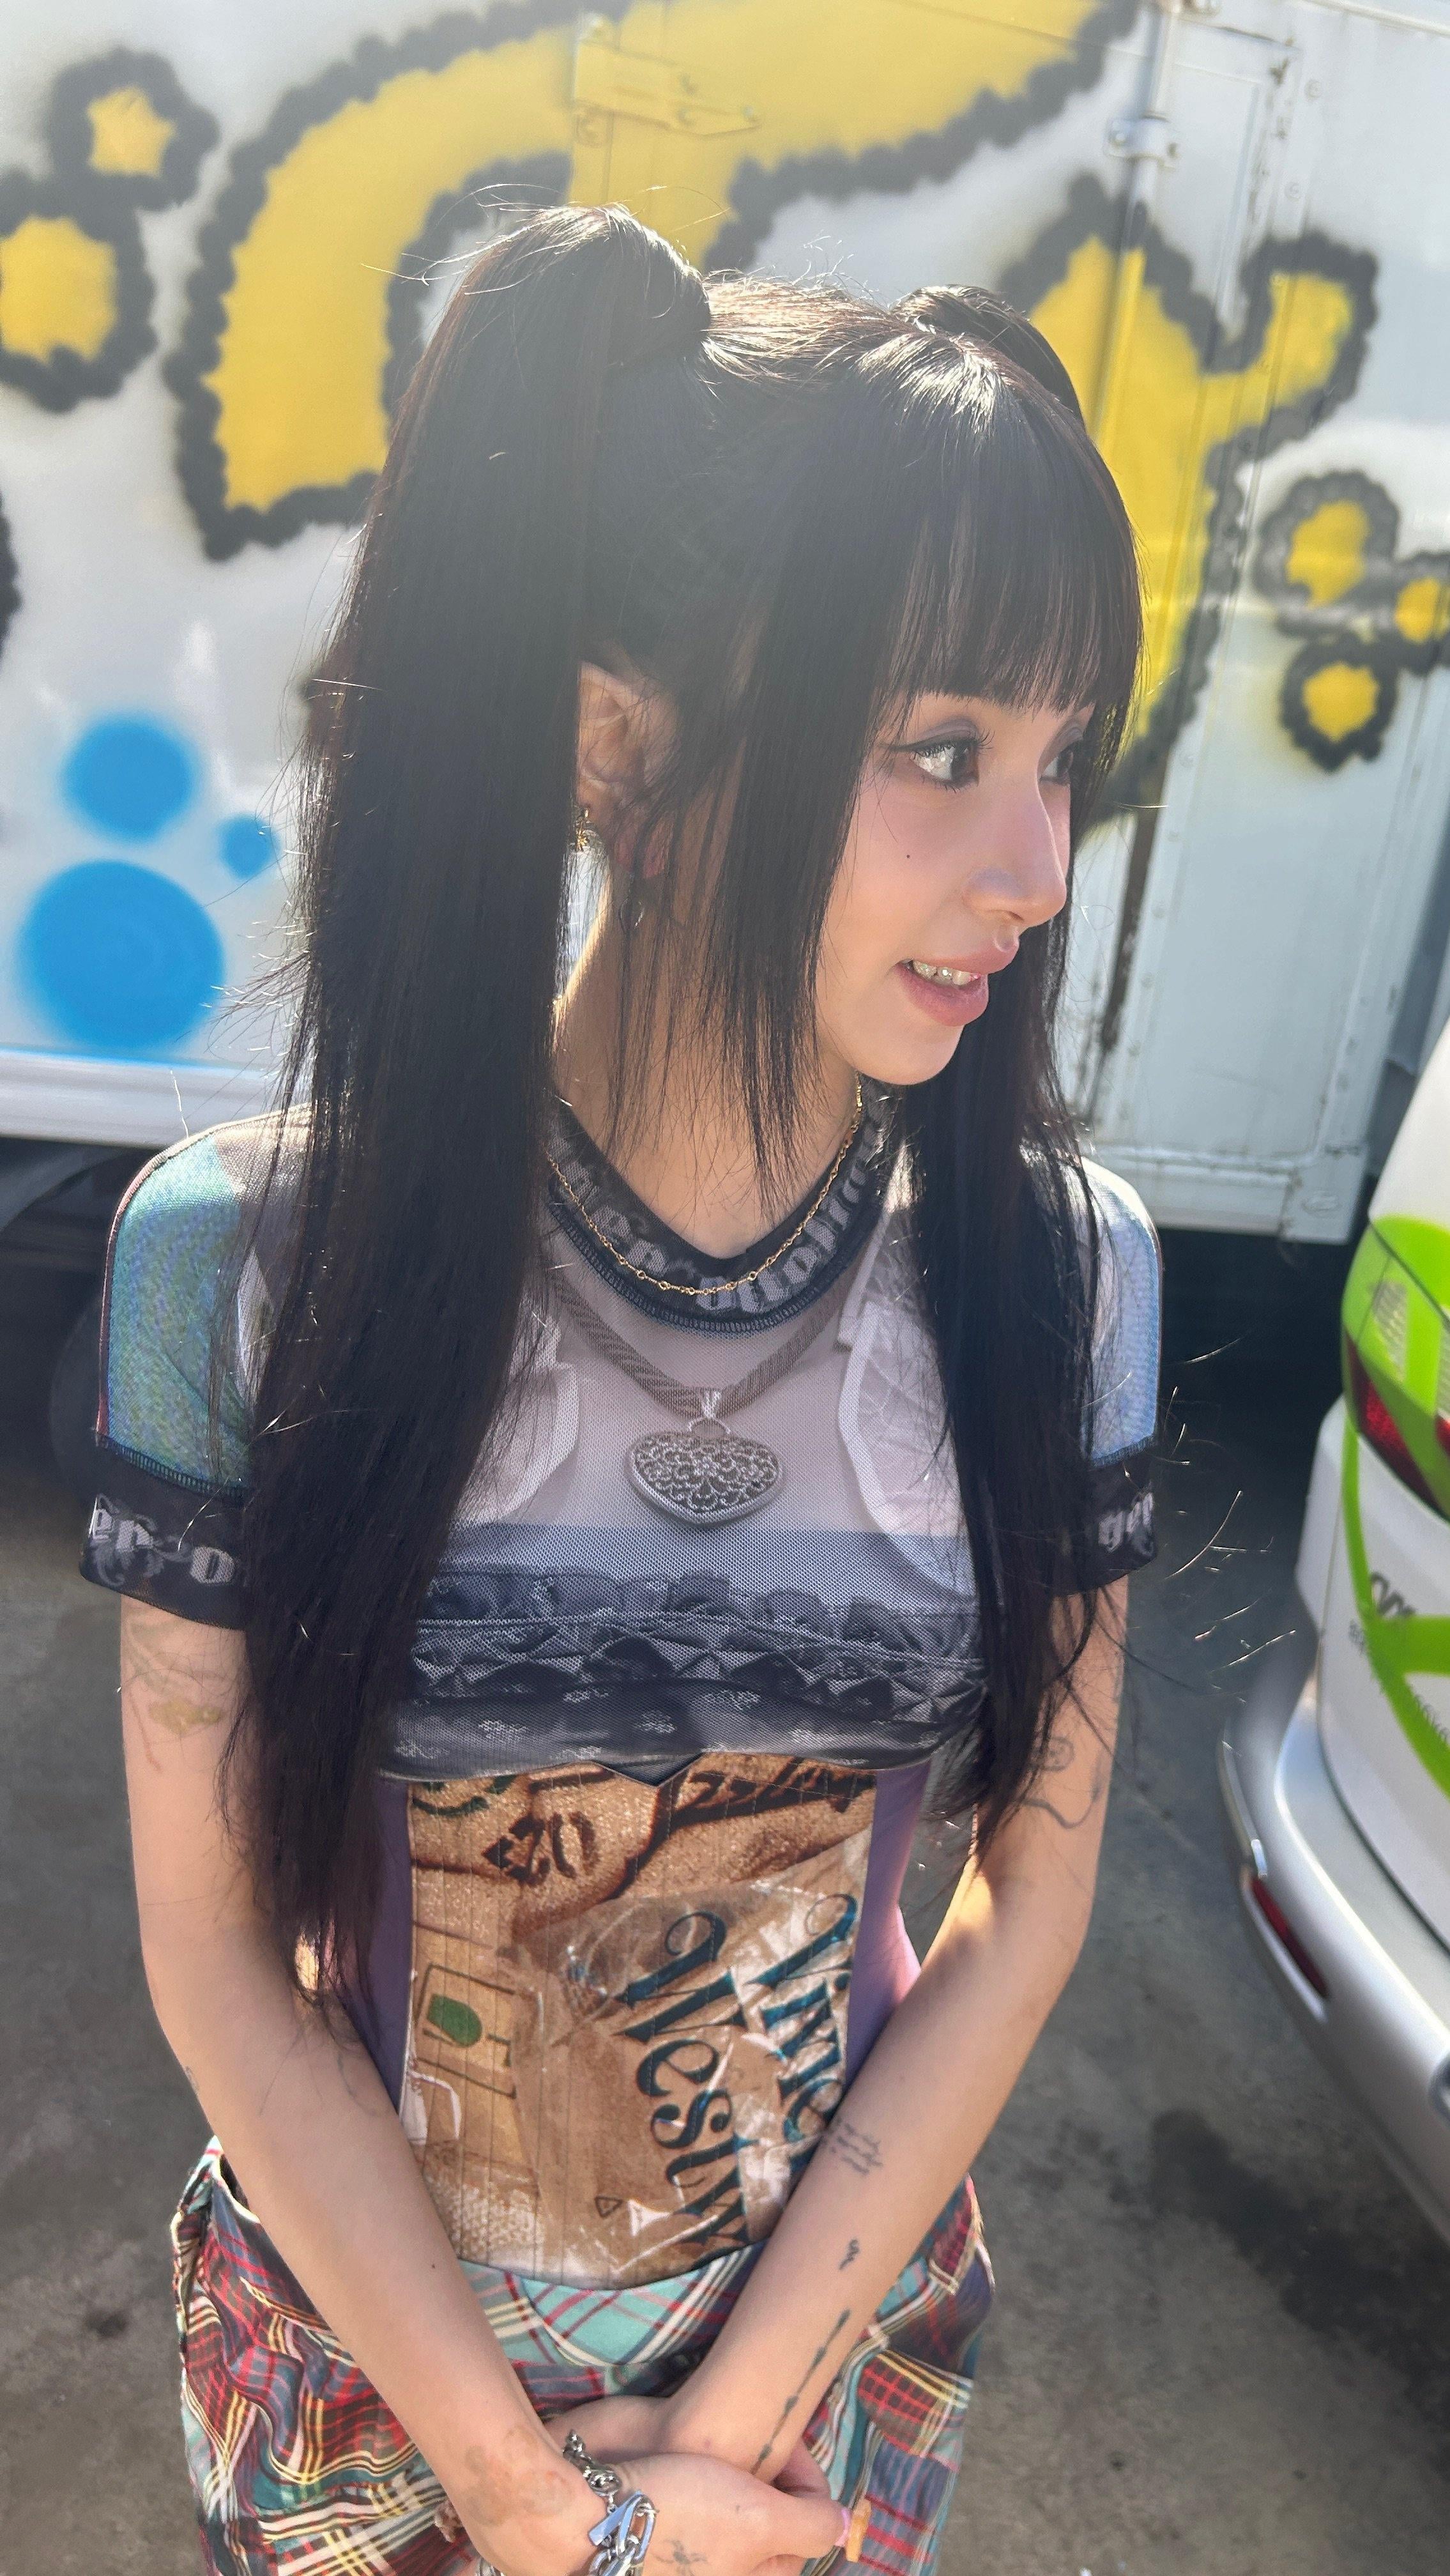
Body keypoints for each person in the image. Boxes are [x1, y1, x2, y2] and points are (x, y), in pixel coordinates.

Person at [85, 206, 1159, 2576]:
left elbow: (1030, 1901)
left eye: (1064, 760)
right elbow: (217, 1954)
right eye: (944, 749)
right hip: (370, 2410)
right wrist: (541, 2512)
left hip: (810, 2418)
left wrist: (703, 2474)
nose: (1036, 866)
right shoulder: (243, 1277)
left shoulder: (1061, 1286)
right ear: (616, 744)